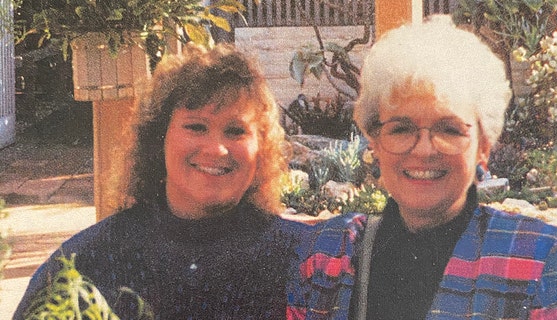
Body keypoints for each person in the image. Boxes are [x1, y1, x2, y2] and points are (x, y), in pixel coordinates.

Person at [12, 43, 360, 319]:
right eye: (195, 126)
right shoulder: (87, 262)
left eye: (236, 130)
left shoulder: (305, 262)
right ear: (158, 137)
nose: (217, 149)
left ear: (262, 149)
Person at [342, 15, 557, 319]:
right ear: (376, 143)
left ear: (483, 147)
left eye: (449, 129)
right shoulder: (334, 252)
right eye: (401, 129)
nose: (424, 150)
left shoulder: (541, 257)